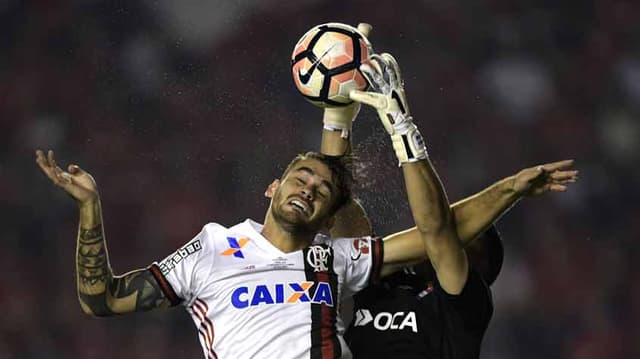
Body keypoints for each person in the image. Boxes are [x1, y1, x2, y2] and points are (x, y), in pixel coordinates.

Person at [35, 30, 577, 359]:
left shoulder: (339, 264)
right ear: (271, 187)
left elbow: (438, 232)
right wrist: (90, 210)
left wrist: (507, 187)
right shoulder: (213, 248)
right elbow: (101, 300)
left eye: (319, 189)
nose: (309, 189)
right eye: (300, 178)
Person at [313, 27, 577, 358]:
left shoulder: (466, 308)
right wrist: (337, 116)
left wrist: (402, 128)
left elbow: (436, 230)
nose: (442, 240)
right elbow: (341, 214)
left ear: (477, 266)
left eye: (462, 239)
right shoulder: (391, 283)